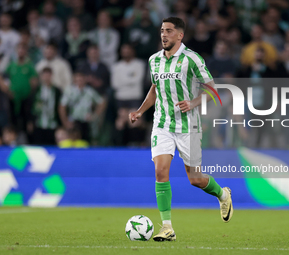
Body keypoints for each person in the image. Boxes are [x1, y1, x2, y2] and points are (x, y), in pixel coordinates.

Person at [128, 17, 233, 242]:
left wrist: (193, 103)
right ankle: (167, 227)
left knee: (194, 179)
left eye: (168, 31)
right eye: (162, 31)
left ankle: (223, 195)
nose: (163, 35)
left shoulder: (192, 59)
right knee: (160, 171)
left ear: (180, 35)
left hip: (189, 126)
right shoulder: (154, 60)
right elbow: (155, 90)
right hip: (162, 124)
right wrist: (140, 111)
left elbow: (213, 91)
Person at [59, 71, 105, 142]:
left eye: (81, 80)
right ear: (74, 81)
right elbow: (62, 106)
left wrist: (94, 115)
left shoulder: (89, 91)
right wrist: (65, 121)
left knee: (86, 142)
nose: (79, 82)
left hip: (85, 121)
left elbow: (101, 102)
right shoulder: (69, 91)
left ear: (84, 80)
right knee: (73, 142)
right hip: (73, 121)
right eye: (77, 80)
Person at [28, 67, 61, 145]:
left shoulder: (56, 91)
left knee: (51, 145)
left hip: (52, 124)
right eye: (45, 76)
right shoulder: (36, 90)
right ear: (41, 77)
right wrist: (30, 121)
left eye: (48, 75)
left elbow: (59, 107)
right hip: (39, 123)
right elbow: (30, 106)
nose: (46, 78)